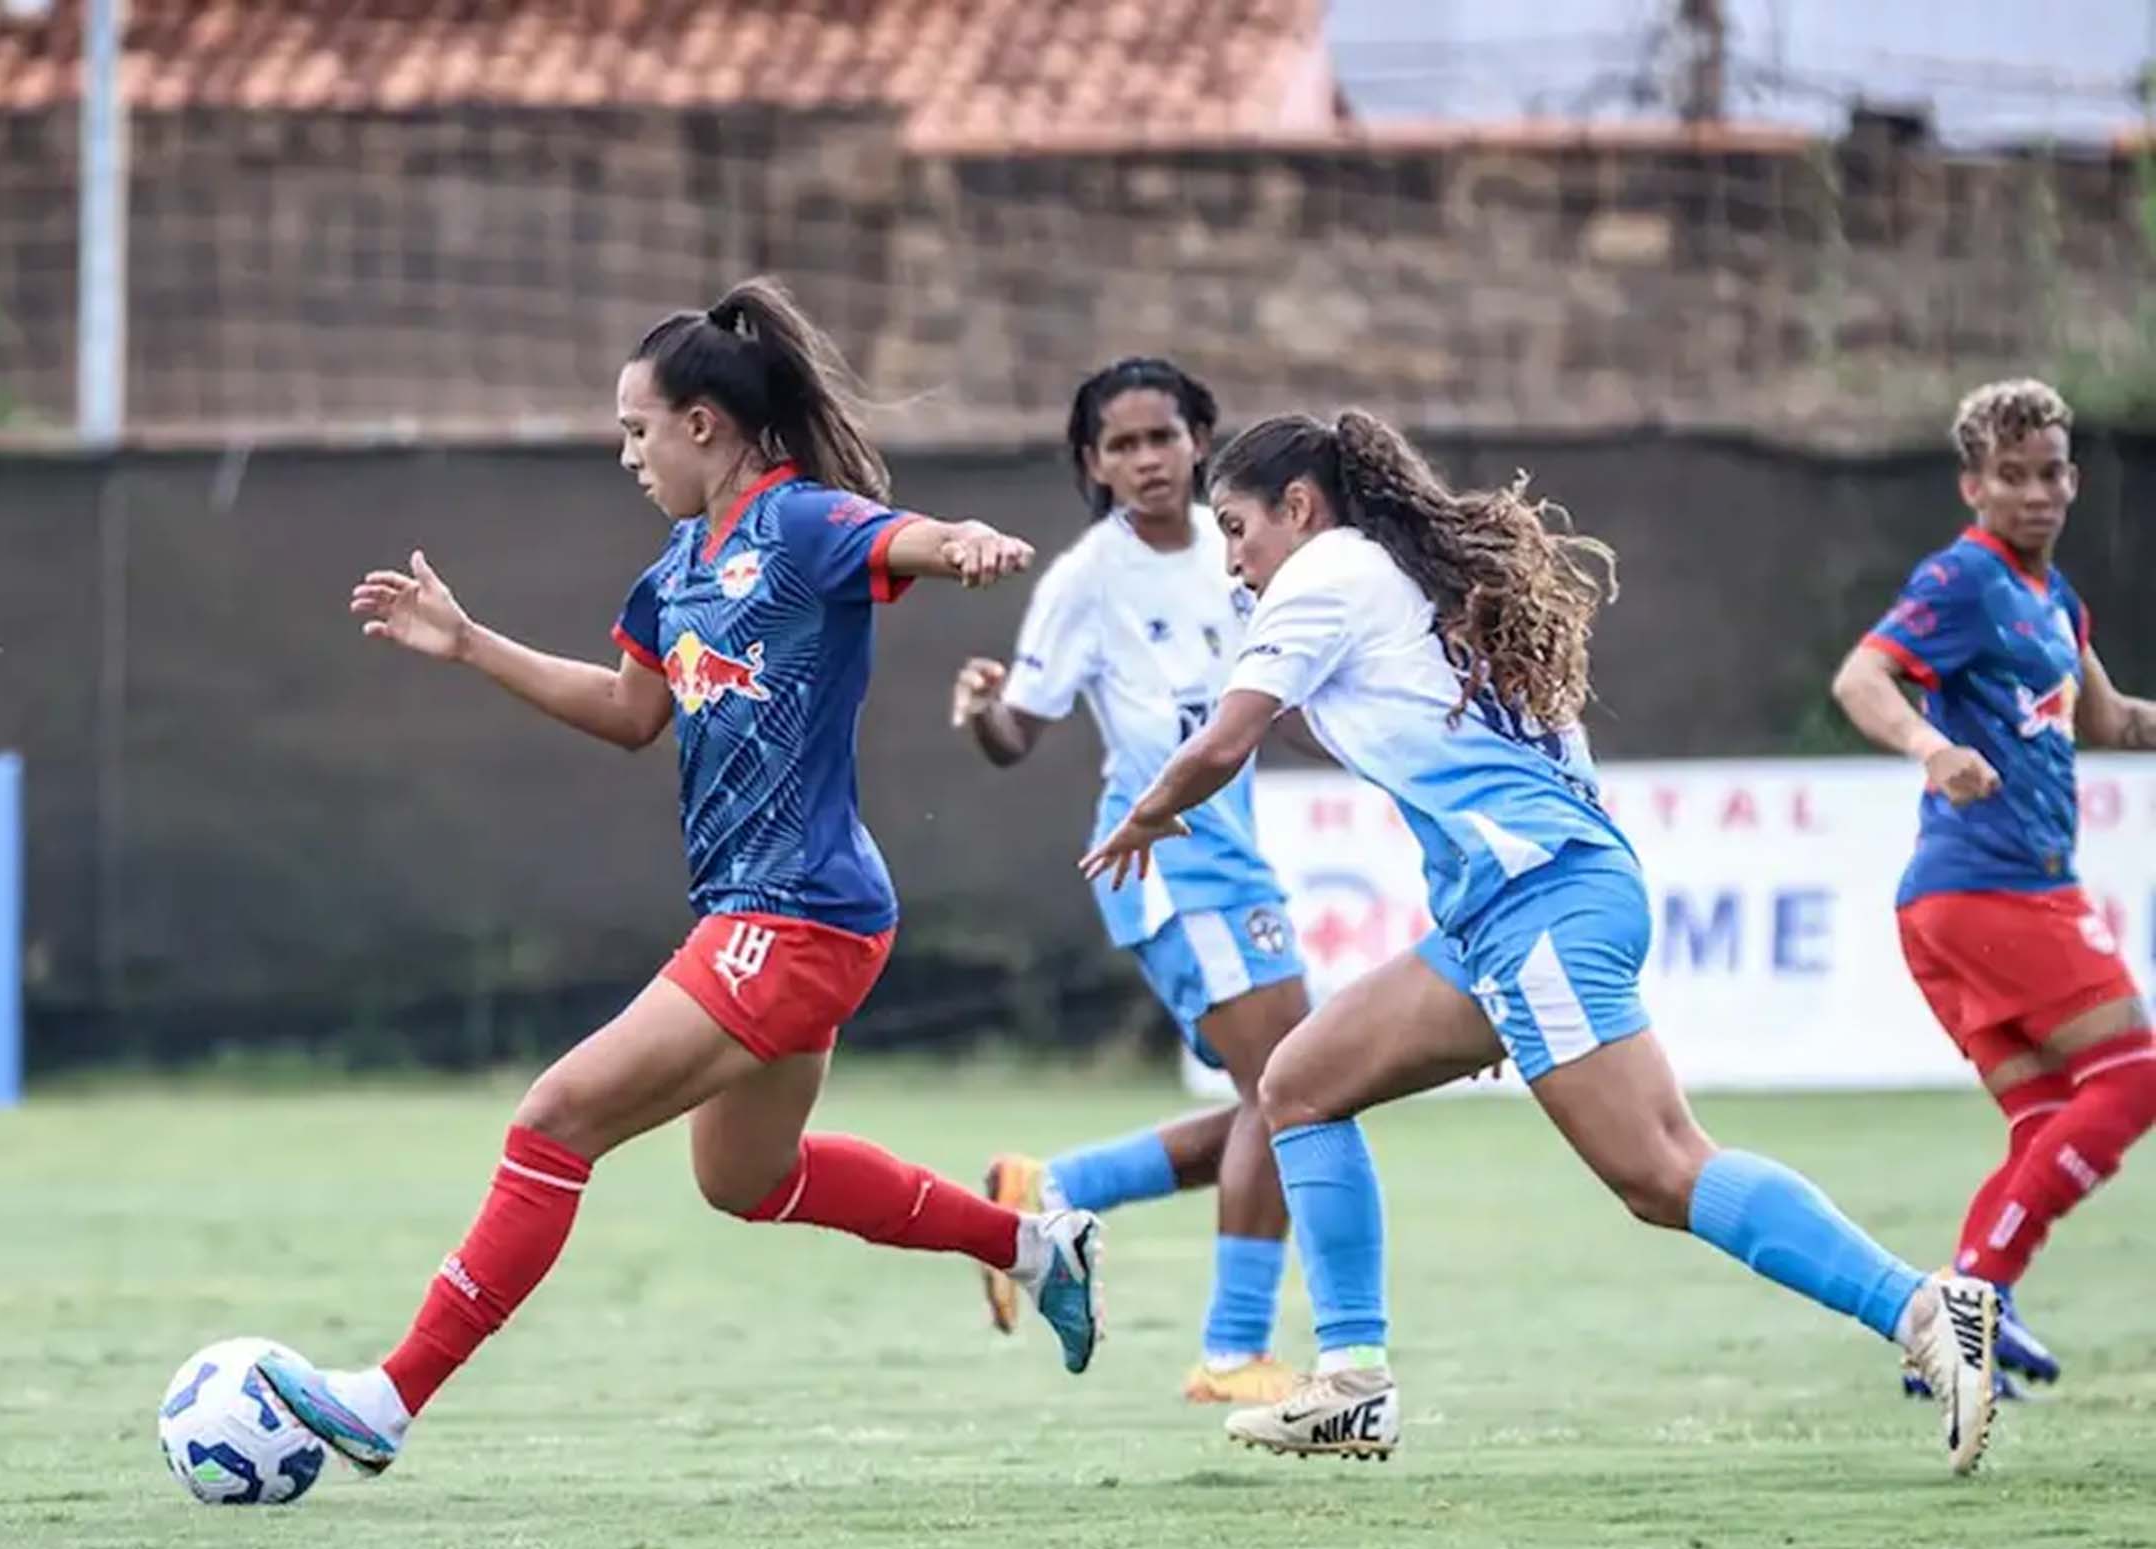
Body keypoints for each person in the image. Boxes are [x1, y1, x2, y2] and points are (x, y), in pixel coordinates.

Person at [253, 278, 1103, 1477]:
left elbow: (895, 535)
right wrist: (469, 640)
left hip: (793, 913)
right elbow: (627, 711)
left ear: (702, 423)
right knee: (745, 1179)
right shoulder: (675, 571)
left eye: (634, 428)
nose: (625, 453)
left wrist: (957, 544)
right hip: (782, 913)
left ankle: (389, 1399)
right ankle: (1032, 1245)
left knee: (554, 1119)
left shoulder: (802, 525)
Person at [1080, 407, 2002, 1475]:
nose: (1230, 556)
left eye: (1236, 526)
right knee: (1298, 1085)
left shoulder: (1327, 569)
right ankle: (1353, 1381)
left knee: (1660, 1171)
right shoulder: (1401, 580)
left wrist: (1145, 812)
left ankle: (1927, 1308)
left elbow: (1227, 739)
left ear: (1299, 506)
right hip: (1509, 912)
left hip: (1539, 903)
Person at [951, 358, 1305, 1405]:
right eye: (1122, 445)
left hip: (1234, 843)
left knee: (1286, 1096)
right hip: (1162, 857)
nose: (1147, 460)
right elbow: (1021, 731)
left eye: (1164, 437)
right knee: (1293, 1095)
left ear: (1201, 439)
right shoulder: (1085, 581)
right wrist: (982, 711)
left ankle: (1047, 1193)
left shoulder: (1241, 553)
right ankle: (1233, 1350)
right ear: (1093, 465)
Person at [1832, 376, 2154, 1401]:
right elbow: (1861, 679)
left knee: (2047, 1116)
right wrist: (1933, 748)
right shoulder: (1964, 579)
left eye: (2051, 471)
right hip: (1995, 888)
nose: (2036, 492)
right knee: (2139, 1072)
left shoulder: (2054, 600)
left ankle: (1958, 1319)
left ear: (2076, 478)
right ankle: (1980, 1288)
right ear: (1974, 487)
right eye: (2010, 476)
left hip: (1957, 905)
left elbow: (2109, 722)